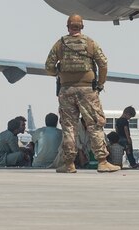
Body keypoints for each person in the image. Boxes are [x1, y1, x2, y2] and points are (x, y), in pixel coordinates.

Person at [45, 14, 117, 173]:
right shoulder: (91, 44)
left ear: (68, 26)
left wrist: (60, 72)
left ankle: (69, 163)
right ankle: (102, 161)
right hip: (87, 91)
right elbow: (103, 64)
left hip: (67, 90)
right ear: (82, 26)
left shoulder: (60, 44)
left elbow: (49, 67)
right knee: (95, 125)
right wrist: (100, 83)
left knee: (69, 127)